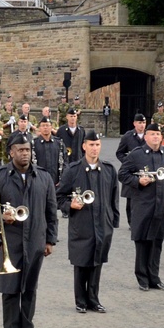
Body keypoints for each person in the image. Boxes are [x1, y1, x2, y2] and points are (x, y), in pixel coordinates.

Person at [0, 132, 57, 328]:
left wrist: (50, 240)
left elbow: (51, 211)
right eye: (20, 150)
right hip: (10, 240)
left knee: (30, 287)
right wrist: (2, 216)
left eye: (27, 149)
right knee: (10, 287)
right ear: (11, 152)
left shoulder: (44, 177)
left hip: (35, 239)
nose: (25, 154)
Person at [56, 131, 120, 313]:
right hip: (82, 224)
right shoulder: (74, 170)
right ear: (84, 146)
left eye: (97, 145)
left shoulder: (108, 170)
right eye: (91, 145)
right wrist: (70, 205)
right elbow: (58, 196)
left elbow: (113, 197)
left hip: (103, 223)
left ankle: (93, 299)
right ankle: (80, 301)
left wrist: (113, 220)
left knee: (97, 262)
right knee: (82, 262)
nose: (94, 148)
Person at [118, 122, 164, 291]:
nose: (155, 137)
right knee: (143, 243)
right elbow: (122, 174)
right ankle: (142, 278)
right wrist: (138, 181)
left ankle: (155, 277)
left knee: (157, 243)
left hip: (162, 207)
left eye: (158, 135)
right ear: (145, 137)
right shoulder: (136, 155)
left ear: (161, 137)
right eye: (152, 134)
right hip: (143, 206)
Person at [31, 117, 66, 185]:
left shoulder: (59, 143)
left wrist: (62, 178)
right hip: (38, 181)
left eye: (47, 125)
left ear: (51, 127)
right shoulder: (33, 144)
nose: (45, 128)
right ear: (39, 128)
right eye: (43, 126)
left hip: (56, 181)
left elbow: (65, 162)